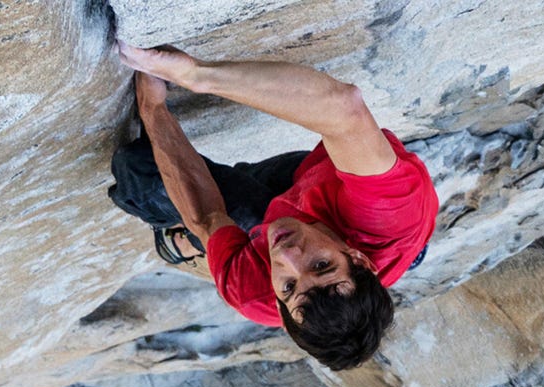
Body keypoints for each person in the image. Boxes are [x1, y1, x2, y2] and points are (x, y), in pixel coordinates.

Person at [108, 42, 438, 370]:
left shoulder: (255, 294)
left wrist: (153, 109)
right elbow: (344, 110)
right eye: (322, 265)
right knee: (259, 193)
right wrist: (195, 74)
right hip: (321, 192)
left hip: (306, 208)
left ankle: (182, 244)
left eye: (290, 286)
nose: (288, 255)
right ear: (358, 258)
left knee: (140, 173)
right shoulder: (387, 216)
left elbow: (207, 217)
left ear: (279, 308)